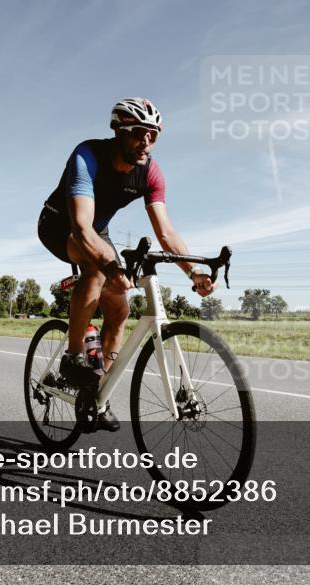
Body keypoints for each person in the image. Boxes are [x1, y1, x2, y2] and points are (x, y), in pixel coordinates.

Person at [38, 98, 217, 431]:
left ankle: (95, 394)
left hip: (96, 230)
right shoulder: (87, 155)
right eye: (138, 133)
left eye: (153, 135)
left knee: (119, 311)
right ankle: (73, 358)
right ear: (117, 130)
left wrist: (193, 271)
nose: (145, 142)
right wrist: (111, 267)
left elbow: (165, 231)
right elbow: (80, 227)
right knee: (95, 268)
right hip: (60, 223)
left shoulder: (150, 171)